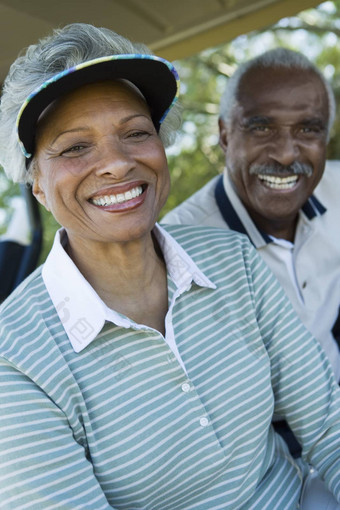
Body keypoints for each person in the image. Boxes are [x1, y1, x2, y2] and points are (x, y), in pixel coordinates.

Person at [0, 24, 339, 510]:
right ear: (35, 182)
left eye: (136, 133)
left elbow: (329, 425)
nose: (116, 164)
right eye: (75, 147)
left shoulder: (232, 259)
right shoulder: (14, 359)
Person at [162, 48, 340, 386]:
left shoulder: (337, 188)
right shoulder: (177, 250)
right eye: (261, 128)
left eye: (308, 130)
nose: (286, 154)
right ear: (226, 135)